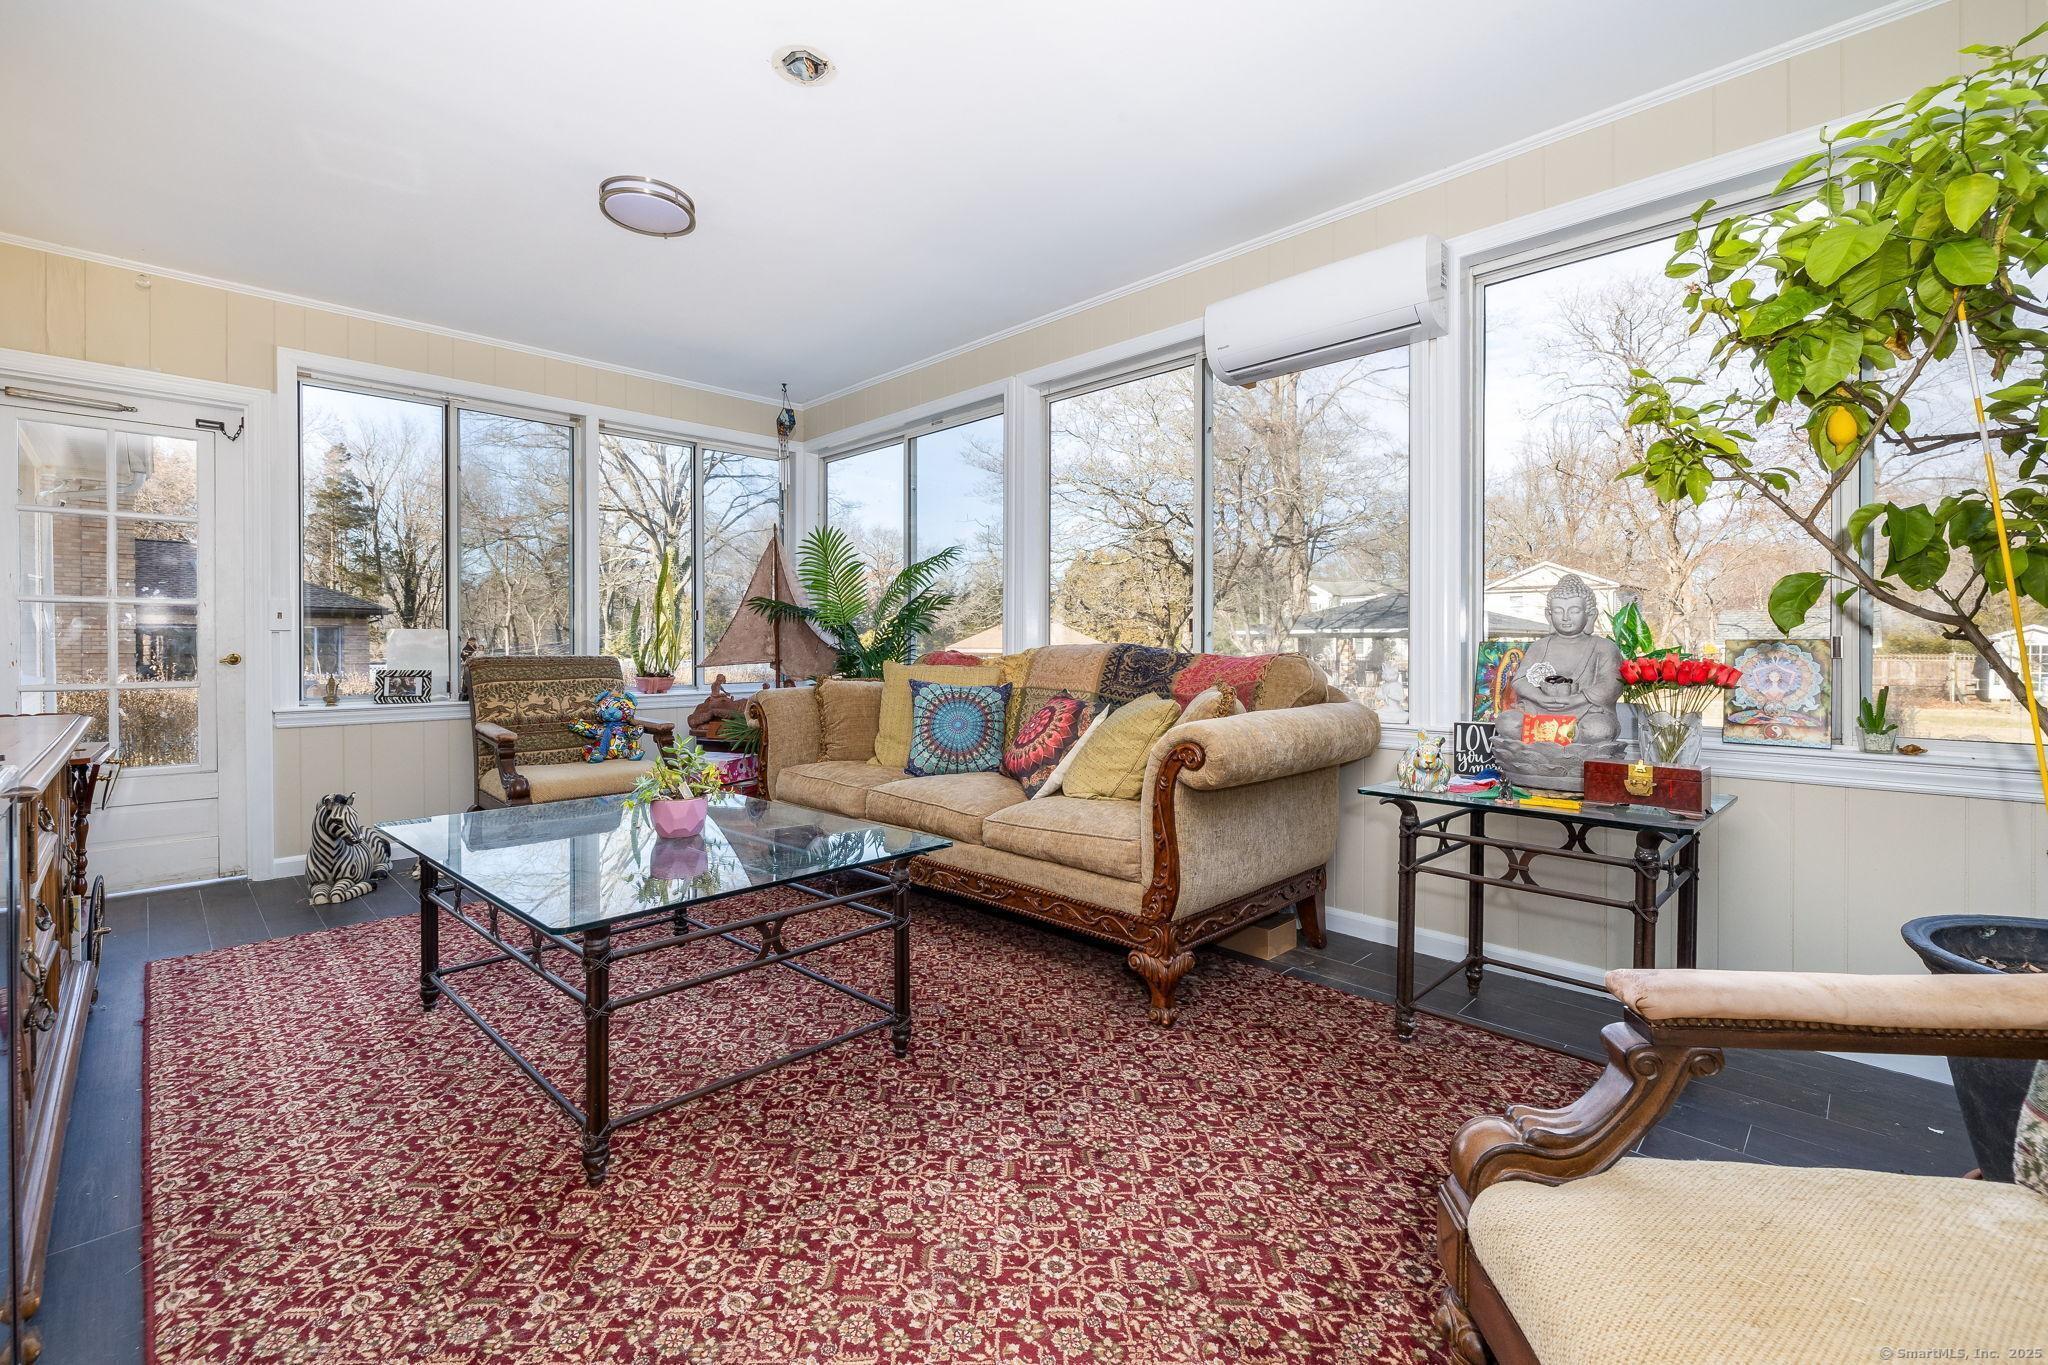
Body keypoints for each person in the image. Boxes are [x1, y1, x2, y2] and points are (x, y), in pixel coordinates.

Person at [1495, 574, 1623, 745]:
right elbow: (1520, 680)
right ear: (1549, 615)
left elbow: (1611, 685)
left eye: (1574, 611)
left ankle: (1551, 749)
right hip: (1539, 709)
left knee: (1599, 730)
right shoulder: (1540, 646)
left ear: (1590, 614)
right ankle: (1554, 748)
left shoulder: (1604, 647)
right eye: (1558, 611)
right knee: (1507, 723)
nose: (1565, 617)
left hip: (1585, 711)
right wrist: (1540, 697)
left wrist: (1576, 699)